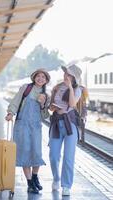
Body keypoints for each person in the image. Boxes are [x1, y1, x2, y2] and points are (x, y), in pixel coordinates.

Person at [5, 69, 50, 194]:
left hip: (35, 126)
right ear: (34, 77)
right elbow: (16, 101)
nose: (40, 78)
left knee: (36, 153)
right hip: (22, 125)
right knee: (24, 153)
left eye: (43, 77)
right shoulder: (26, 88)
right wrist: (10, 113)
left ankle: (35, 177)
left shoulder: (46, 95)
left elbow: (45, 116)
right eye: (38, 76)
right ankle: (30, 183)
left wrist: (42, 104)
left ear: (46, 81)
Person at [48, 64, 82, 196]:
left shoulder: (77, 89)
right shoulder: (57, 87)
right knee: (53, 155)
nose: (65, 76)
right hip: (57, 123)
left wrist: (69, 87)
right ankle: (56, 178)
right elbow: (51, 105)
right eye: (65, 73)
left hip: (70, 125)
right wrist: (52, 107)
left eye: (68, 74)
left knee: (68, 157)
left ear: (74, 77)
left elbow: (72, 104)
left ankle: (66, 185)